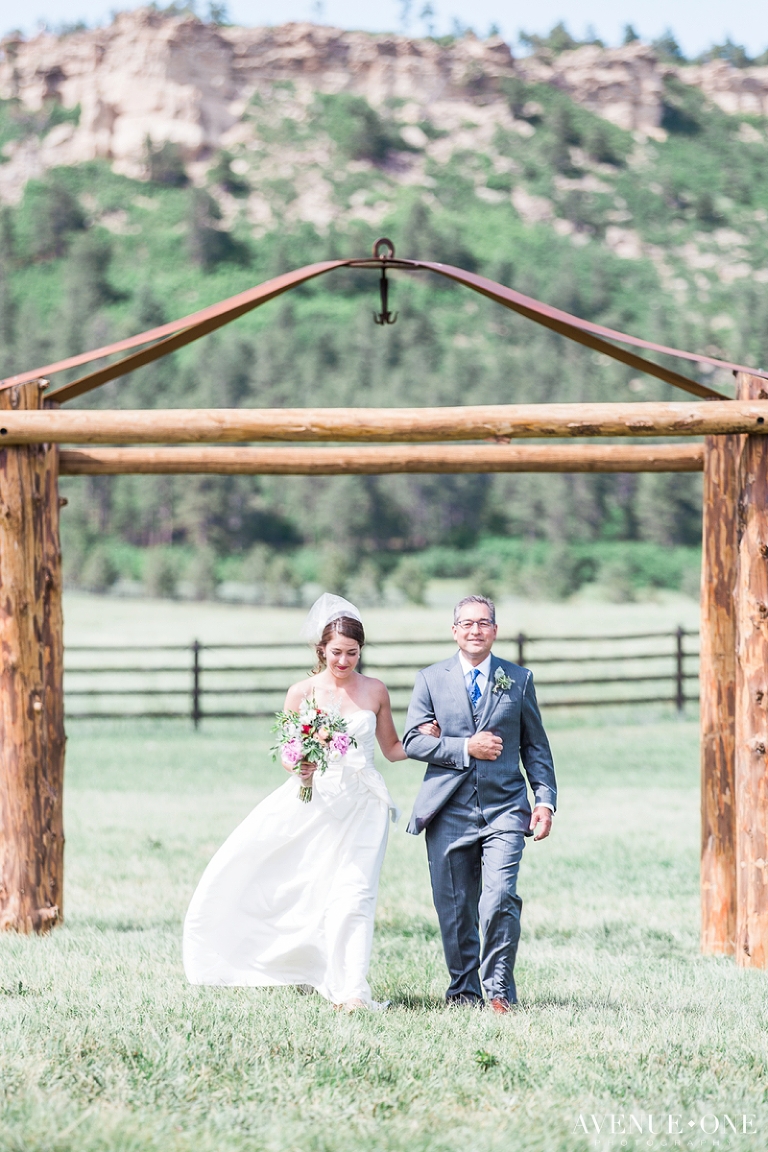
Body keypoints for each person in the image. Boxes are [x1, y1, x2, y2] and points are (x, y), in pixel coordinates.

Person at [183, 593, 435, 1011]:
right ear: (321, 649)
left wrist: (433, 738)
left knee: (356, 895)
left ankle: (352, 990)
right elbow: (287, 752)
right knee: (302, 889)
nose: (344, 661)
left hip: (363, 805)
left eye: (352, 653)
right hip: (314, 803)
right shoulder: (301, 692)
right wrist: (299, 766)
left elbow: (392, 749)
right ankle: (300, 967)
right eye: (336, 652)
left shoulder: (375, 691)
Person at [403, 595, 557, 1013]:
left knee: (500, 897)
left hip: (506, 807)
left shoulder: (518, 678)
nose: (476, 630)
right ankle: (464, 990)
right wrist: (464, 746)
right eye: (467, 624)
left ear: (495, 629)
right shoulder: (431, 679)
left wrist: (544, 801)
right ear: (454, 630)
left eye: (484, 623)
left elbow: (535, 746)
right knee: (455, 908)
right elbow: (412, 741)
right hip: (447, 809)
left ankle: (500, 990)